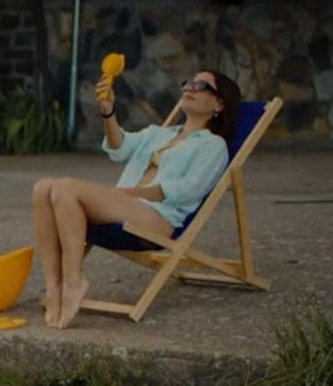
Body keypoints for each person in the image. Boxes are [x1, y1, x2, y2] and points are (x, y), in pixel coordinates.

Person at [32, 68, 239, 328]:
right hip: (124, 207)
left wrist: (131, 194)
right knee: (42, 188)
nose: (189, 88)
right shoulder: (159, 133)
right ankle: (54, 288)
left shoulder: (212, 145)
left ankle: (74, 281)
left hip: (156, 218)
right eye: (188, 83)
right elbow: (119, 147)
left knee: (63, 188)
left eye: (201, 85)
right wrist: (108, 112)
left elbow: (188, 189)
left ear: (219, 103)